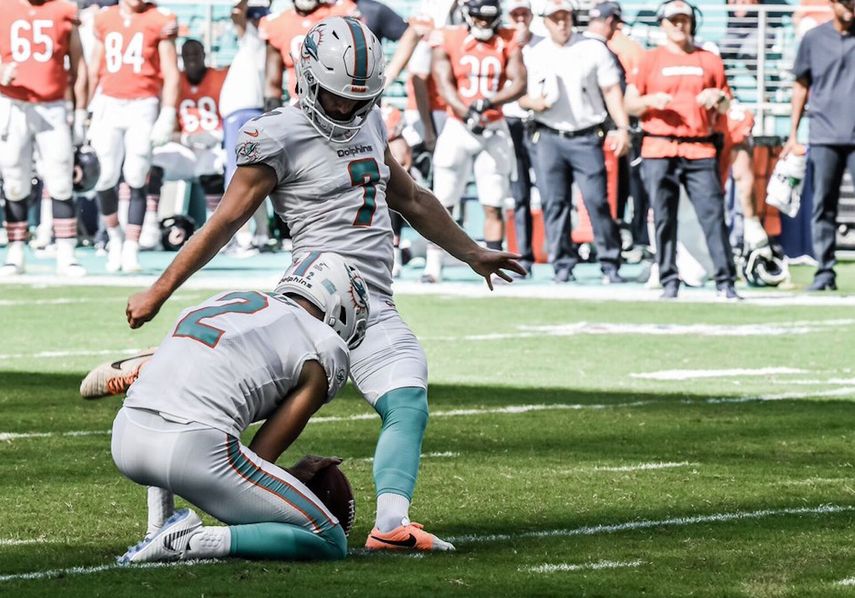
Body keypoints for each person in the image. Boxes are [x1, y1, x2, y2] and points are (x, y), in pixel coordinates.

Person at [124, 16, 523, 552]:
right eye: (335, 97)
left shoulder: (370, 119)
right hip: (312, 305)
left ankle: (390, 525)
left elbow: (411, 199)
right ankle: (216, 507)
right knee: (226, 397)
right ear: (308, 77)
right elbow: (222, 224)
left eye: (357, 100)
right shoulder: (277, 134)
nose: (345, 109)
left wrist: (472, 253)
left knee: (408, 402)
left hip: (373, 301)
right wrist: (160, 289)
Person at [112, 252, 367, 564]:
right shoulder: (324, 346)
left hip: (125, 436)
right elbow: (260, 457)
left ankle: (159, 529)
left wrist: (289, 478)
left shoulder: (227, 299)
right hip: (191, 450)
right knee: (329, 539)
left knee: (174, 401)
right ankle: (191, 540)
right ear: (340, 307)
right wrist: (293, 479)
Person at [625, 0, 739, 300]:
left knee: (712, 215)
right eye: (673, 20)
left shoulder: (709, 59)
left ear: (692, 23)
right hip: (659, 146)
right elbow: (629, 103)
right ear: (662, 24)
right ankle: (669, 280)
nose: (679, 25)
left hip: (700, 148)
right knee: (663, 218)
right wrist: (651, 102)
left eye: (684, 20)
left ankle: (726, 281)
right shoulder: (650, 60)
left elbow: (728, 104)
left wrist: (717, 97)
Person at [519, 0, 630, 284]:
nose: (561, 22)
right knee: (554, 203)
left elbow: (611, 90)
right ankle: (562, 265)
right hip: (547, 134)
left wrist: (622, 126)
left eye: (565, 16)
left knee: (596, 201)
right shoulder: (533, 52)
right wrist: (535, 103)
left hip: (586, 135)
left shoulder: (592, 48)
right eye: (555, 18)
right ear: (545, 21)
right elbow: (518, 94)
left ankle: (609, 262)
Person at [421, 0, 526, 284]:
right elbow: (443, 82)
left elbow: (519, 82)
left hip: (493, 125)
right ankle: (434, 265)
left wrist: (489, 102)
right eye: (478, 18)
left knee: (493, 202)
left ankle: (493, 267)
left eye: (487, 18)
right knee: (443, 200)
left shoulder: (508, 39)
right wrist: (466, 111)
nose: (483, 23)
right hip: (458, 125)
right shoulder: (450, 36)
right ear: (468, 15)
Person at [87, 0, 180, 272]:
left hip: (143, 103)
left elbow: (171, 72)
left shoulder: (159, 18)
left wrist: (169, 111)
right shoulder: (105, 18)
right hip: (108, 102)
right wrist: (87, 107)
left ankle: (130, 246)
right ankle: (114, 237)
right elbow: (95, 67)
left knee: (137, 174)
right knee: (103, 176)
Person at [0, 0, 88, 277]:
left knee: (61, 179)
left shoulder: (64, 10)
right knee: (14, 178)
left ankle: (66, 253)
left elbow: (79, 64)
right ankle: (15, 253)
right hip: (12, 103)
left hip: (53, 106)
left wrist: (82, 109)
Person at [783, 0, 855, 291]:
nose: (851, 6)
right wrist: (792, 134)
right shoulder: (813, 39)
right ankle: (825, 272)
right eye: (845, 1)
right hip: (824, 135)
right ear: (832, 3)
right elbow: (801, 86)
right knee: (822, 206)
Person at [148, 39, 229, 234]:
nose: (192, 59)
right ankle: (149, 225)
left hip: (214, 144)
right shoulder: (174, 83)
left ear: (204, 54)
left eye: (195, 54)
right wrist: (185, 138)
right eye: (187, 55)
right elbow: (164, 132)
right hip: (184, 147)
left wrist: (219, 135)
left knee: (213, 164)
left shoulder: (221, 77)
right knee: (154, 162)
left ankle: (214, 229)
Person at [502, 0, 543, 279]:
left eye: (523, 14)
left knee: (551, 193)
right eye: (514, 14)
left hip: (539, 122)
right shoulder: (500, 42)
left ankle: (562, 260)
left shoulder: (544, 44)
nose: (519, 19)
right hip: (508, 120)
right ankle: (523, 255)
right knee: (518, 193)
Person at [260, 0, 358, 109]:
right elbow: (272, 86)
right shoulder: (278, 23)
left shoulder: (341, 14)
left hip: (337, 102)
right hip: (299, 104)